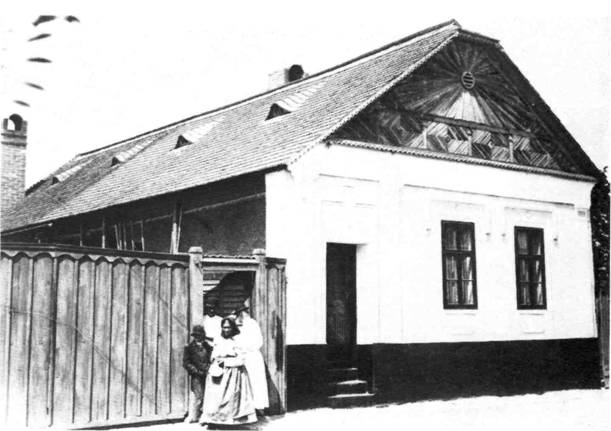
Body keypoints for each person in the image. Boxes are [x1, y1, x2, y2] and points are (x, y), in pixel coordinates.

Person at [199, 317, 257, 427]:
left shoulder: (238, 340)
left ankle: (231, 422)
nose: (226, 330)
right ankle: (214, 420)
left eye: (228, 327)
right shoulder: (218, 339)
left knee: (231, 399)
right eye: (224, 327)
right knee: (215, 398)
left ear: (233, 328)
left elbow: (242, 359)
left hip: (233, 374)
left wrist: (226, 361)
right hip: (219, 372)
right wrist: (215, 360)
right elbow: (214, 354)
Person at [232, 299, 269, 413]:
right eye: (240, 313)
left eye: (243, 312)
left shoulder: (252, 324)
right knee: (244, 382)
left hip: (253, 356)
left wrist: (245, 349)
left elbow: (258, 342)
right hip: (242, 357)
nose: (242, 315)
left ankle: (259, 408)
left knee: (256, 381)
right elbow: (234, 341)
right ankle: (247, 409)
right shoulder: (237, 325)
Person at [182, 325, 211, 423]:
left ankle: (204, 417)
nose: (198, 337)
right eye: (196, 335)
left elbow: (211, 359)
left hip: (208, 374)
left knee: (208, 395)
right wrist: (195, 371)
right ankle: (193, 416)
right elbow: (186, 363)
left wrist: (209, 368)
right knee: (198, 395)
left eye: (200, 335)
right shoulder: (189, 347)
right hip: (197, 375)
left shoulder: (208, 347)